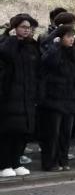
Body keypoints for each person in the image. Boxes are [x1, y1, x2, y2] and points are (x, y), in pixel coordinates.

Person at [38, 25, 75, 171]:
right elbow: (49, 63)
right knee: (53, 132)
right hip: (53, 97)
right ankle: (50, 162)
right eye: (68, 36)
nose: (72, 39)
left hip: (69, 98)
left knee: (66, 132)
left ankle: (63, 160)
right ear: (60, 37)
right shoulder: (51, 50)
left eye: (73, 36)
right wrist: (56, 46)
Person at [0, 14, 41, 177]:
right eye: (23, 27)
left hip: (27, 97)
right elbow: (6, 56)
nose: (27, 30)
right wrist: (11, 39)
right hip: (9, 97)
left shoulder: (31, 46)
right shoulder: (6, 43)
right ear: (14, 28)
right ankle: (4, 164)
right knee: (7, 132)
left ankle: (16, 162)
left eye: (29, 28)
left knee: (23, 132)